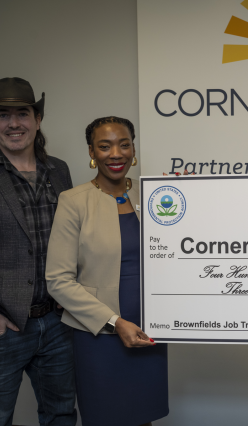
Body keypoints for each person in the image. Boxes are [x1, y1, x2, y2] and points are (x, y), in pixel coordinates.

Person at [0, 77, 76, 425]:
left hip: (57, 323)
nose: (14, 124)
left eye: (22, 113)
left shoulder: (59, 170)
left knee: (61, 415)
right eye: (3, 114)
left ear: (37, 120)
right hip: (0, 330)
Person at [46, 116, 169, 426]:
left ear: (133, 149)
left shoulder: (155, 195)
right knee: (106, 416)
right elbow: (58, 281)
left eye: (124, 144)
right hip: (100, 332)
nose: (116, 153)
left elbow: (183, 251)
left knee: (143, 416)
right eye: (105, 146)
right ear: (92, 152)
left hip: (150, 328)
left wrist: (186, 193)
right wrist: (115, 322)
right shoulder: (73, 201)